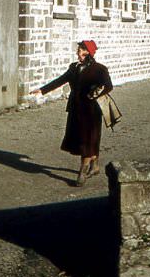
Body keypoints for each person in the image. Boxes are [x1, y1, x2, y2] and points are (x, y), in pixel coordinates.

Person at [31, 40, 112, 186]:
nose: (78, 53)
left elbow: (108, 86)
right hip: (76, 108)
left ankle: (83, 170)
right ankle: (95, 166)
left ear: (89, 53)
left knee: (89, 138)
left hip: (92, 110)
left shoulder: (100, 69)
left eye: (81, 50)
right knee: (82, 138)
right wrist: (42, 90)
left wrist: (95, 93)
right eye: (78, 50)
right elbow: (61, 80)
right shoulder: (73, 68)